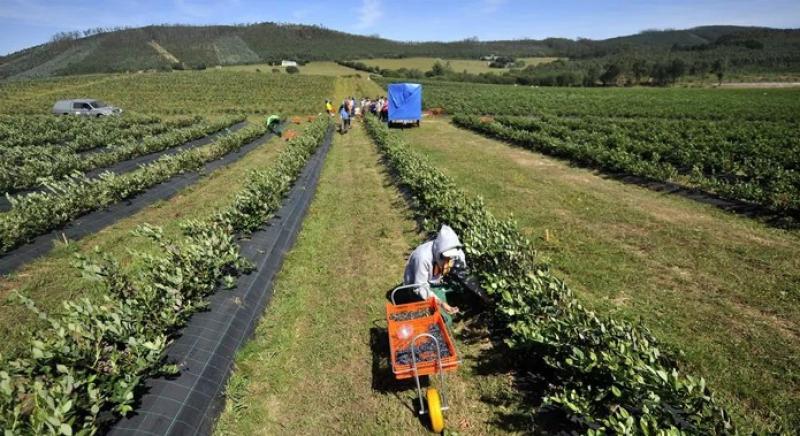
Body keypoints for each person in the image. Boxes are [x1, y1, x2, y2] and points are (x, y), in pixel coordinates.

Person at [402, 225, 467, 324]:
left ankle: (437, 291)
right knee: (443, 321)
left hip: (434, 280)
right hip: (417, 286)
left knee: (443, 317)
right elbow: (420, 287)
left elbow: (464, 272)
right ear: (439, 251)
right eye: (446, 257)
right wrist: (441, 303)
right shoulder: (422, 258)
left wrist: (483, 295)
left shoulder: (456, 252)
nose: (448, 260)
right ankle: (417, 300)